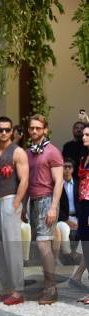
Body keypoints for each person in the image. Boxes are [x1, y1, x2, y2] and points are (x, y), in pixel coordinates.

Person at [0, 116, 29, 306]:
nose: (3, 133)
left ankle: (18, 290)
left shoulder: (18, 152)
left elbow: (24, 180)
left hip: (10, 199)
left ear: (11, 131)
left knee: (12, 246)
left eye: (7, 129)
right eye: (0, 130)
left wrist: (16, 204)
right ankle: (7, 289)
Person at [25, 114, 64, 305]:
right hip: (32, 201)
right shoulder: (28, 152)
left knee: (43, 245)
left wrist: (53, 207)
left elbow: (59, 182)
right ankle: (47, 286)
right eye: (32, 128)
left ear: (45, 130)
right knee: (42, 246)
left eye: (38, 128)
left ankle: (51, 289)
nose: (34, 131)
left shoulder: (53, 151)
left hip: (47, 200)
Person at [58, 158, 82, 267]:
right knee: (65, 228)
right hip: (62, 218)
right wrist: (66, 220)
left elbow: (83, 203)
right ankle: (67, 257)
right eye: (65, 167)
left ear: (73, 169)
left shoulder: (79, 184)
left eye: (69, 167)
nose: (67, 169)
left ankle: (78, 255)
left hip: (77, 217)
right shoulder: (57, 185)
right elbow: (55, 206)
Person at [75, 123, 89, 304]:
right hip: (83, 205)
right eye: (84, 134)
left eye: (88, 135)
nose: (84, 137)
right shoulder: (84, 156)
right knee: (86, 247)